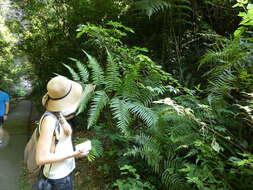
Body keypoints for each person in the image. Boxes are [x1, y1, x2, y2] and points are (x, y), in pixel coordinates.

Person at [36, 75, 90, 190]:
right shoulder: (49, 121)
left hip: (65, 173)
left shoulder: (58, 113)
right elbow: (41, 158)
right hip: (57, 179)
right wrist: (75, 154)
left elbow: (64, 136)